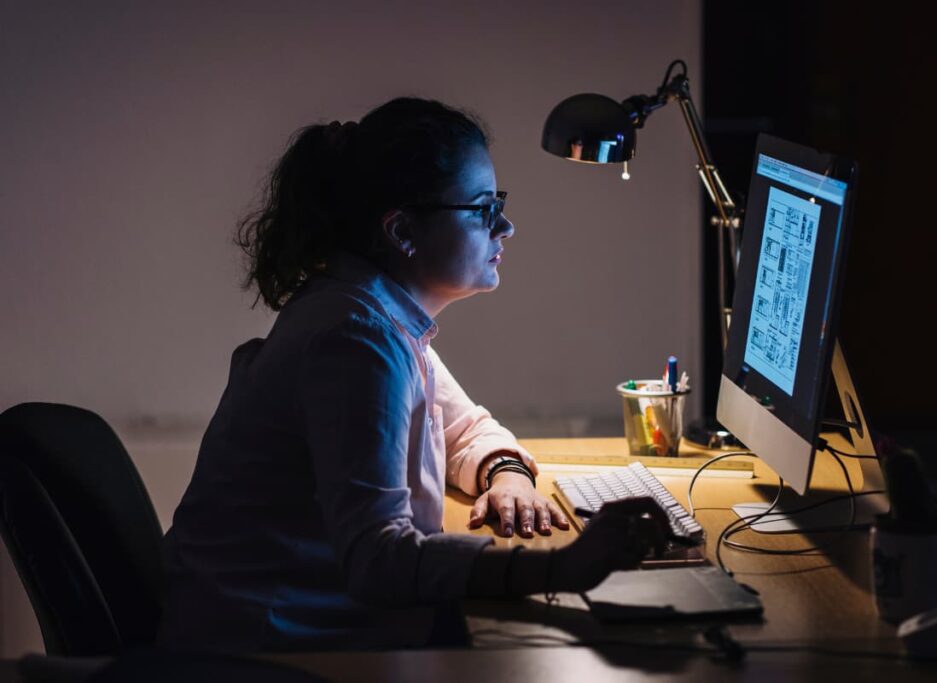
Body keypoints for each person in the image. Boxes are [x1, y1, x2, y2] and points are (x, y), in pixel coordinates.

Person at [158, 97, 670, 653]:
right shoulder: (355, 339)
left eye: (497, 202)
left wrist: (507, 475)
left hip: (300, 633)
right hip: (271, 652)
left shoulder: (374, 313)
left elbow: (465, 430)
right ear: (402, 230)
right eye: (480, 208)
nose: (506, 225)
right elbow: (377, 561)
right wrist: (564, 568)